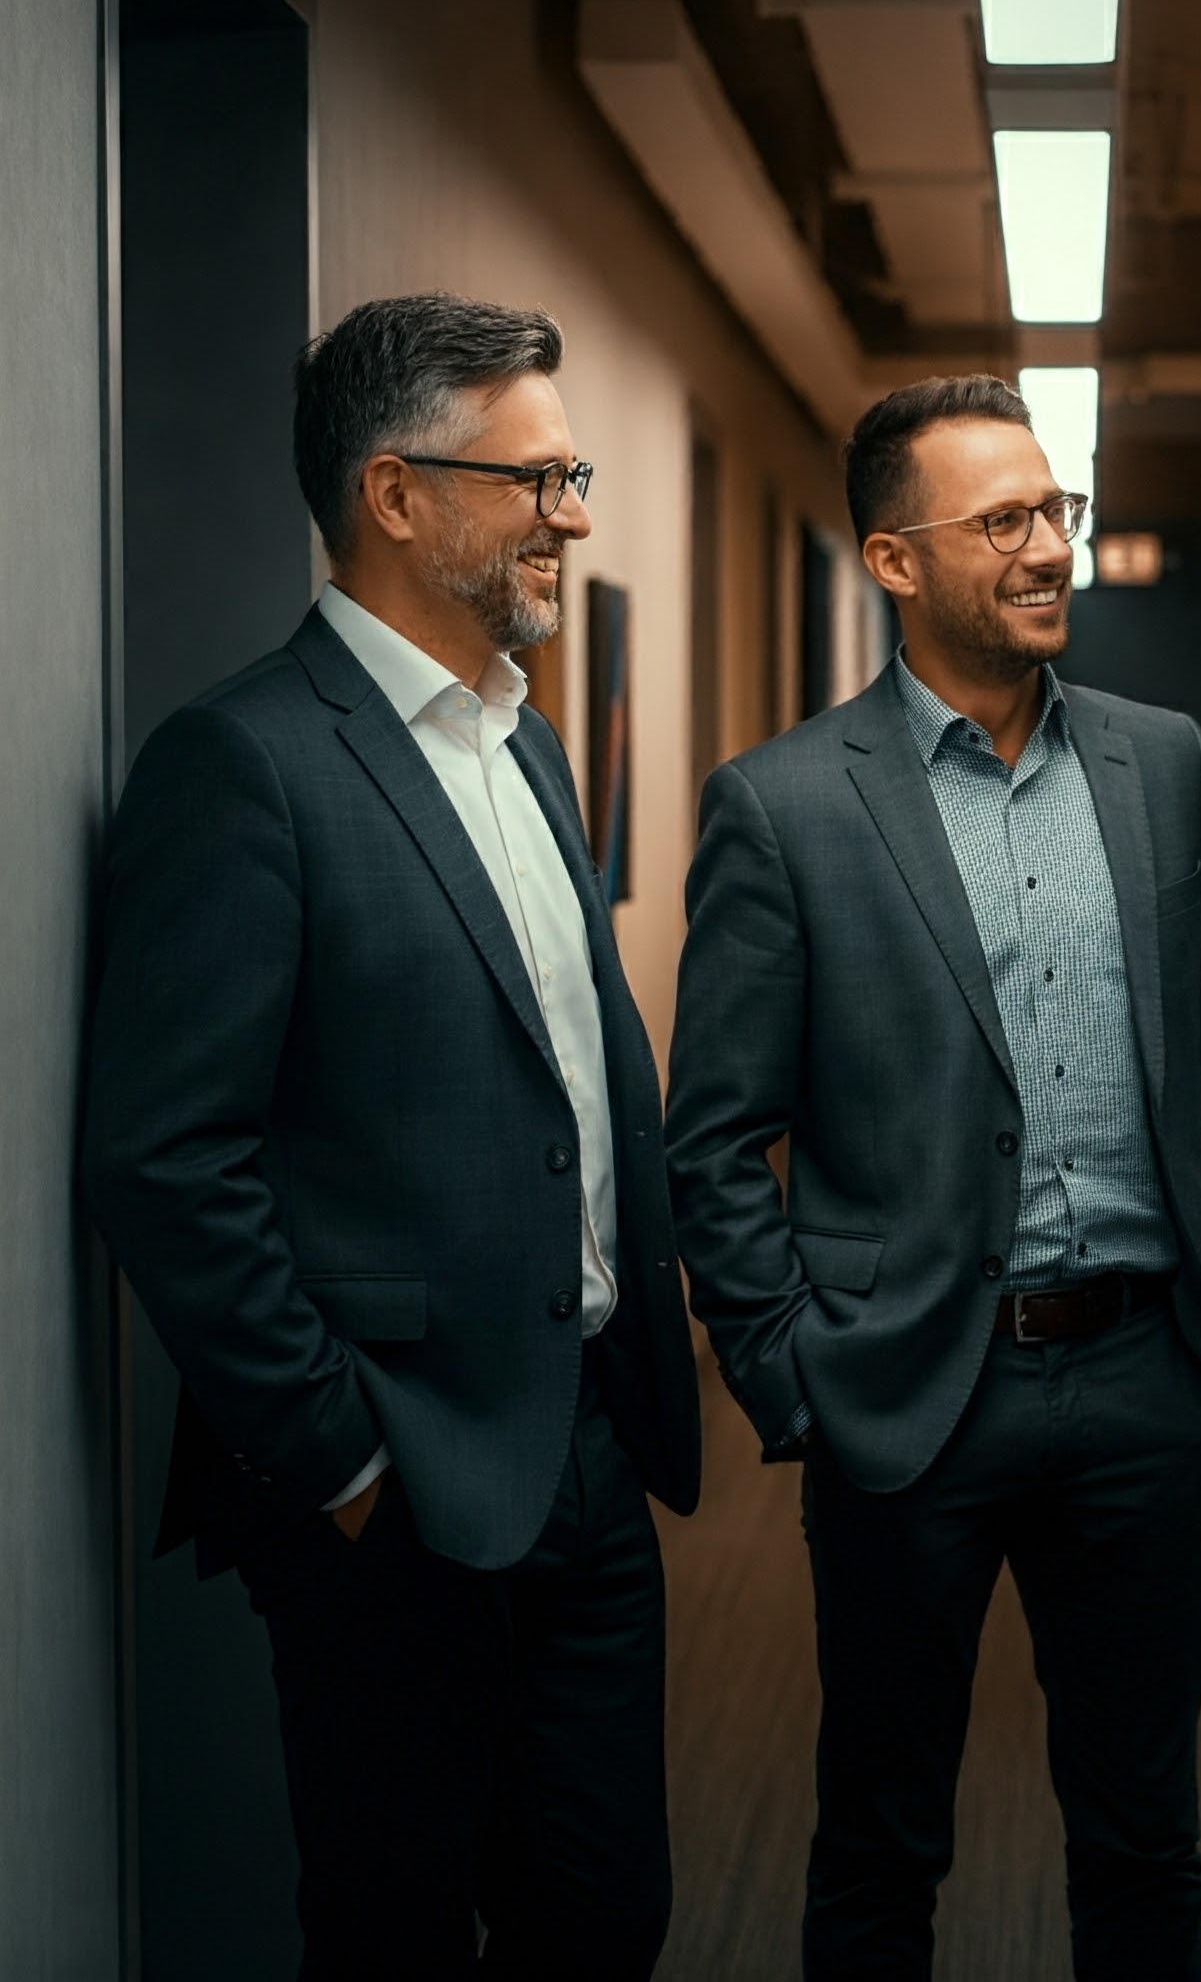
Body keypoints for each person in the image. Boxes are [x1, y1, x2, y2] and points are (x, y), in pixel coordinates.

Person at [82, 293, 700, 1980]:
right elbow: (165, 1158)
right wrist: (345, 1460)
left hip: (584, 1446)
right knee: (396, 1930)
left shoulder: (531, 746)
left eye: (573, 472)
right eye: (539, 476)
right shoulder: (247, 765)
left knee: (609, 1913)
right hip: (398, 1486)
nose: (575, 511)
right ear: (396, 494)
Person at [665, 373, 1201, 1980]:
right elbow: (713, 1142)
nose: (1048, 547)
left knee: (1146, 1839)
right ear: (893, 560)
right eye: (1000, 520)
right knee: (880, 1840)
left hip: (1150, 1382)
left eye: (1054, 508)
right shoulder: (786, 806)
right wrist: (793, 1379)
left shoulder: (1167, 765)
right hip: (909, 1395)